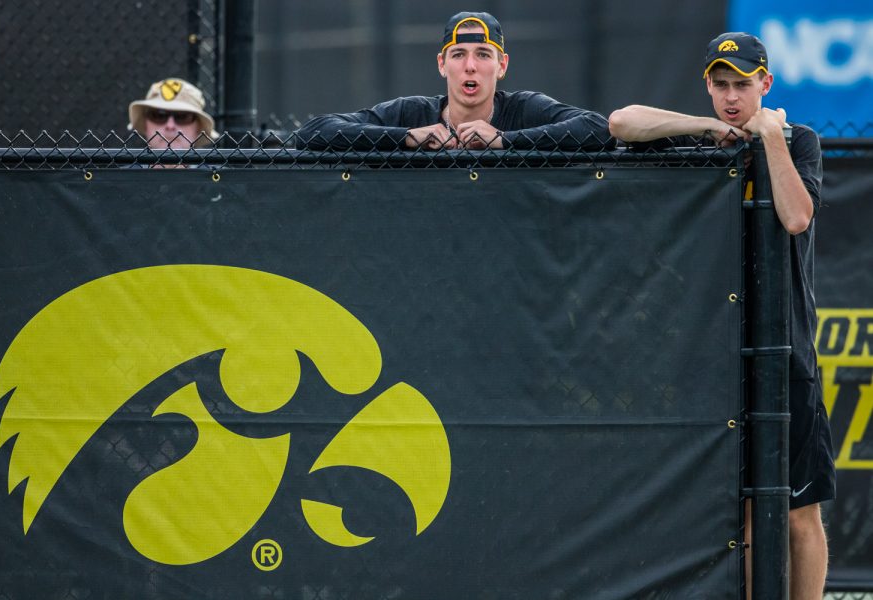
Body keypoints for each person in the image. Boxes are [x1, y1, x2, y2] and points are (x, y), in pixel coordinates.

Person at [609, 33, 836, 600]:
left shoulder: (796, 139)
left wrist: (769, 141)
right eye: (722, 85)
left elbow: (797, 218)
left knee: (798, 514)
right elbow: (621, 122)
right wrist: (703, 127)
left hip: (786, 354)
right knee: (746, 518)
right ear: (708, 87)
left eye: (743, 84)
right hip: (710, 355)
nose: (732, 97)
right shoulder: (699, 139)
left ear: (766, 84)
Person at [295, 11, 612, 152]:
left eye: (483, 55)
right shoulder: (412, 114)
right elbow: (312, 132)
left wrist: (503, 140)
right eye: (458, 55)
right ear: (442, 65)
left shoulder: (524, 109)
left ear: (502, 66)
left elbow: (597, 128)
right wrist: (405, 138)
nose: (470, 67)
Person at [128, 78, 219, 152]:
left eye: (182, 117)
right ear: (145, 123)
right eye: (159, 116)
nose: (170, 126)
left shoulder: (217, 174)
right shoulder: (122, 174)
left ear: (199, 128)